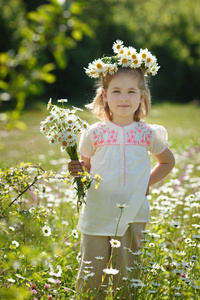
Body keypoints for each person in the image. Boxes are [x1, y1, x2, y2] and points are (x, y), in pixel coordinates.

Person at [68, 40, 175, 299]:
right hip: (97, 210)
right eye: (116, 91)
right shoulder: (94, 133)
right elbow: (86, 169)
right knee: (91, 273)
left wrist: (146, 183)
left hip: (134, 212)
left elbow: (167, 162)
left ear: (142, 97)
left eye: (131, 91)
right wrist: (76, 169)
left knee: (127, 276)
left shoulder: (148, 134)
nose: (124, 98)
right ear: (104, 95)